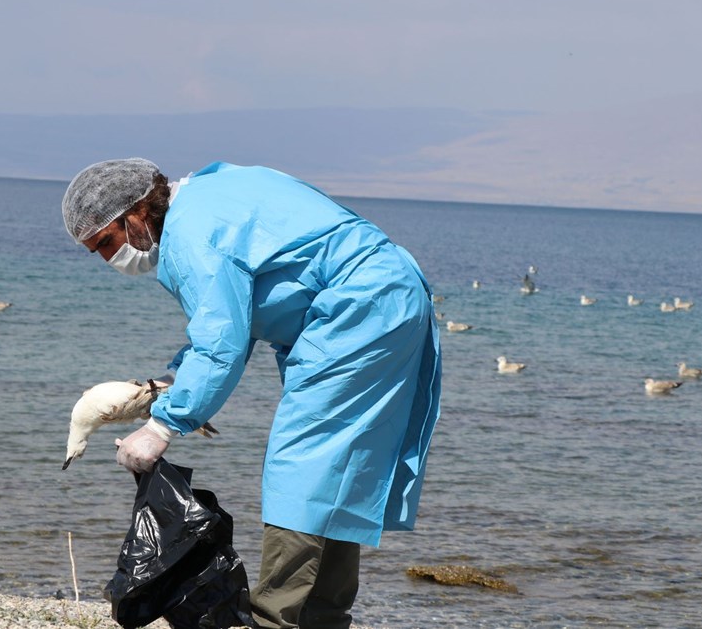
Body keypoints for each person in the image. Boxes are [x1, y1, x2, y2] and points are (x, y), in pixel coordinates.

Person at [62, 158, 442, 629]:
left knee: (300, 469)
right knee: (333, 470)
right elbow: (235, 319)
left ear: (136, 211)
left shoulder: (190, 235)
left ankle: (274, 618)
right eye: (94, 250)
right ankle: (322, 619)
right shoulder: (211, 191)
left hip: (357, 311)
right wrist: (176, 381)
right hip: (383, 297)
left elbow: (222, 341)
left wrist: (163, 426)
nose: (107, 257)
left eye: (106, 241)